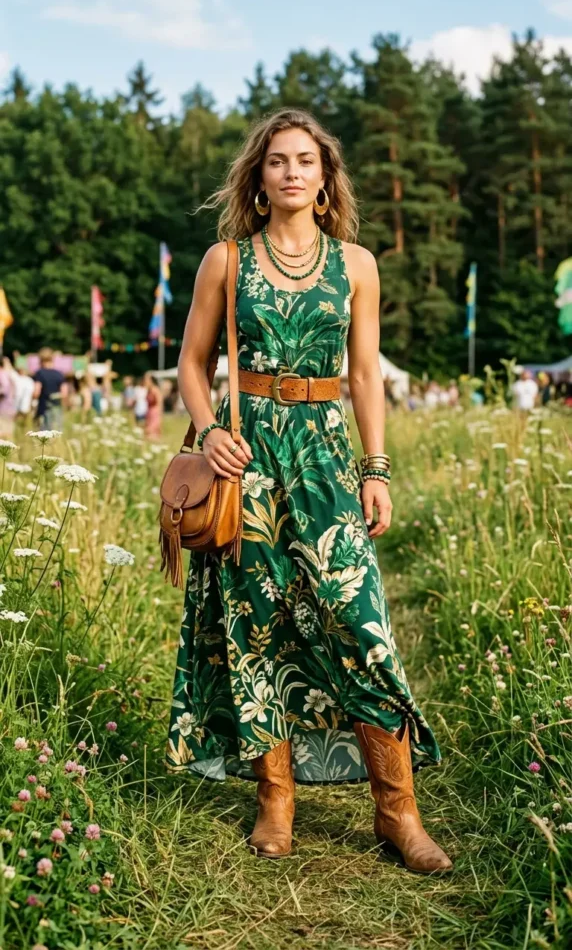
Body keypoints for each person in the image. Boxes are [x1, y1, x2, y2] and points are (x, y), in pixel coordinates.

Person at [165, 108, 452, 874]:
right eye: (277, 161)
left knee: (361, 624)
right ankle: (276, 801)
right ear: (258, 177)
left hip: (325, 455)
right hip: (245, 458)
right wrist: (208, 427)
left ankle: (397, 810)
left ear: (325, 179)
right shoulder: (225, 260)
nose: (291, 171)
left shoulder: (356, 264)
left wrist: (377, 468)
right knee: (257, 626)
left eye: (305, 161)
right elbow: (192, 363)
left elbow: (364, 376)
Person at [32, 348, 66, 430]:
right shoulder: (59, 374)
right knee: (57, 430)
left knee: (44, 432)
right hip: (57, 407)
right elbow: (64, 393)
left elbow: (37, 392)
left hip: (44, 408)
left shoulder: (40, 373)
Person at [0, 356, 18, 438]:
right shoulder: (9, 375)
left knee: (3, 434)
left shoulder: (2, 374)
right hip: (10, 407)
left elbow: (4, 390)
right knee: (8, 434)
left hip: (3, 407)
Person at [143, 372, 163, 438]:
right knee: (147, 431)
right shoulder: (148, 390)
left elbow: (159, 403)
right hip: (149, 412)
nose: (145, 381)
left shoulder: (155, 390)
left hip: (155, 412)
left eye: (146, 380)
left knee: (152, 431)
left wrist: (159, 415)